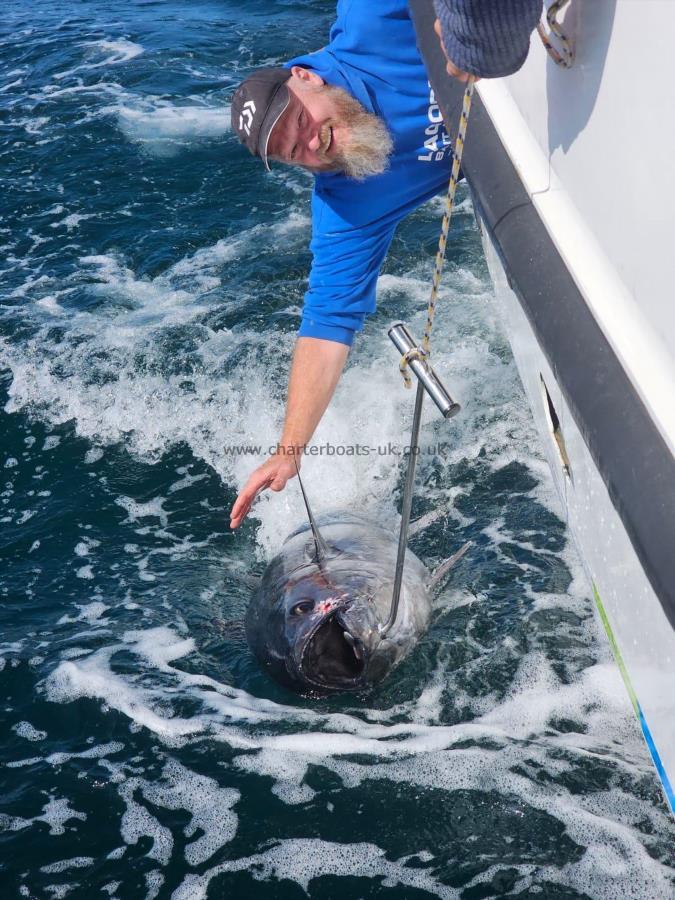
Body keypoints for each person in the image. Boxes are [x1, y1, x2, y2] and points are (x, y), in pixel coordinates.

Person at [229, 0, 542, 529]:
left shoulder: (372, 20)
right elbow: (327, 322)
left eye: (300, 121)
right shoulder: (346, 199)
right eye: (291, 153)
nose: (311, 144)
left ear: (304, 77)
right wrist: (290, 451)